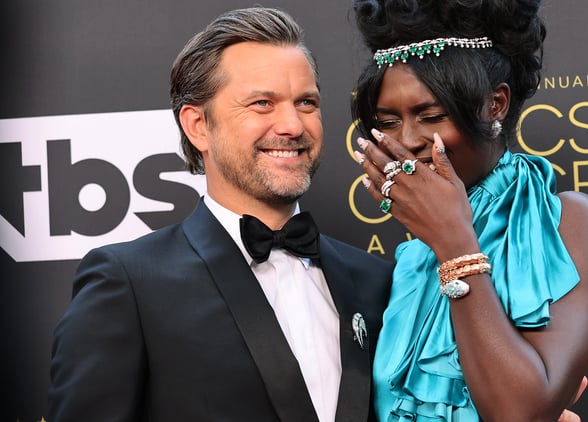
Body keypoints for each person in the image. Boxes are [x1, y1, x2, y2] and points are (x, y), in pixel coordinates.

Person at [47, 7, 393, 422]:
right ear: (197, 126)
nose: (292, 125)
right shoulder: (129, 283)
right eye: (262, 103)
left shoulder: (377, 280)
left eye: (306, 102)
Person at [349, 0, 588, 420]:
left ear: (496, 104)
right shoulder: (413, 258)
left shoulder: (566, 222)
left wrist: (454, 242)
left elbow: (520, 411)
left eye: (430, 115)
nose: (409, 139)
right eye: (389, 121)